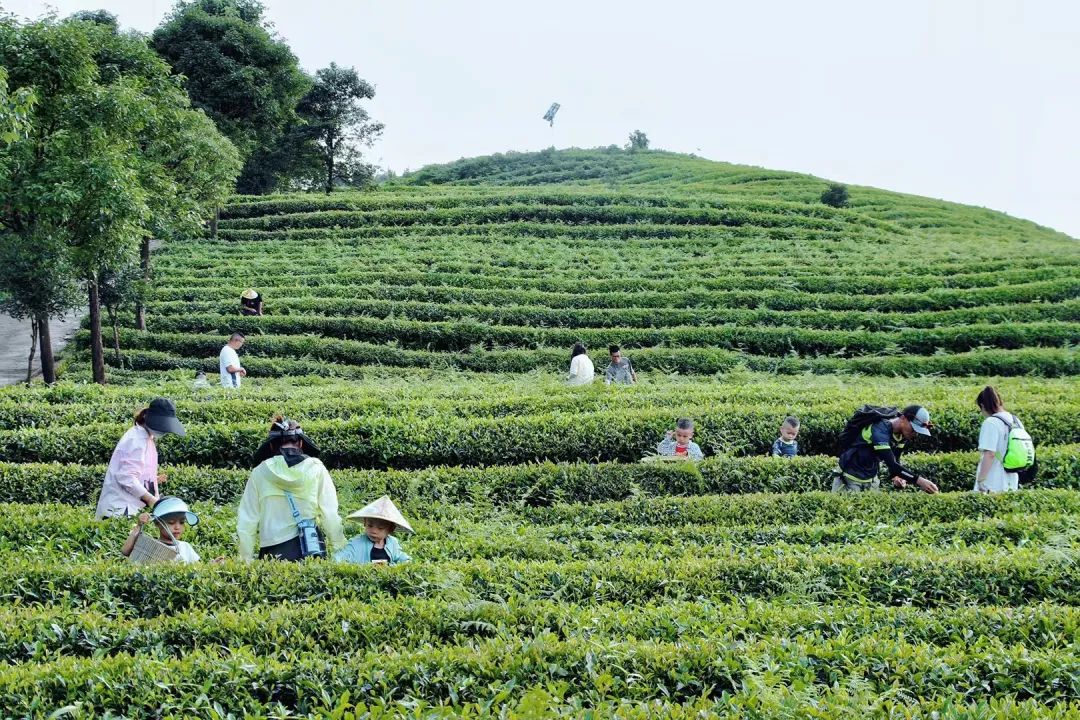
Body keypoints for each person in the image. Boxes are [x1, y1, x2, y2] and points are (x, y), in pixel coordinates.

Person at [237, 417, 346, 562]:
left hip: (273, 550)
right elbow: (330, 514)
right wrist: (341, 549)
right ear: (300, 443)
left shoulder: (259, 472)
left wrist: (245, 558)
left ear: (271, 446)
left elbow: (247, 520)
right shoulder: (316, 468)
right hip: (310, 546)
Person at [95, 398, 186, 520]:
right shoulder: (137, 440)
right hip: (121, 509)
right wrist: (152, 500)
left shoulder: (144, 436)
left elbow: (133, 470)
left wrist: (152, 479)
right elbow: (126, 477)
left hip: (129, 508)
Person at [833, 405, 939, 494]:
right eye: (913, 429)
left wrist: (897, 477)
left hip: (871, 479)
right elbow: (892, 464)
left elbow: (896, 460)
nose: (915, 434)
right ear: (903, 418)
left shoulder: (902, 435)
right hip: (849, 478)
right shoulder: (879, 429)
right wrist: (919, 480)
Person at [335, 495, 413, 565]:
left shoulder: (392, 544)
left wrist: (393, 566)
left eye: (380, 528)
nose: (374, 531)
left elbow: (404, 559)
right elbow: (338, 558)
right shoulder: (356, 543)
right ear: (365, 523)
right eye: (370, 526)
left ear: (390, 529)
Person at [120, 496, 201, 563]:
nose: (177, 527)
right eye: (171, 522)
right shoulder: (150, 545)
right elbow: (125, 552)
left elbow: (198, 569)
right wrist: (138, 526)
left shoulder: (186, 547)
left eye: (182, 522)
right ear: (157, 523)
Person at [975, 386, 1025, 493]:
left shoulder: (990, 422)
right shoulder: (1015, 420)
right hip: (1012, 477)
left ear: (982, 406)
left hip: (993, 481)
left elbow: (990, 454)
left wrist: (981, 480)